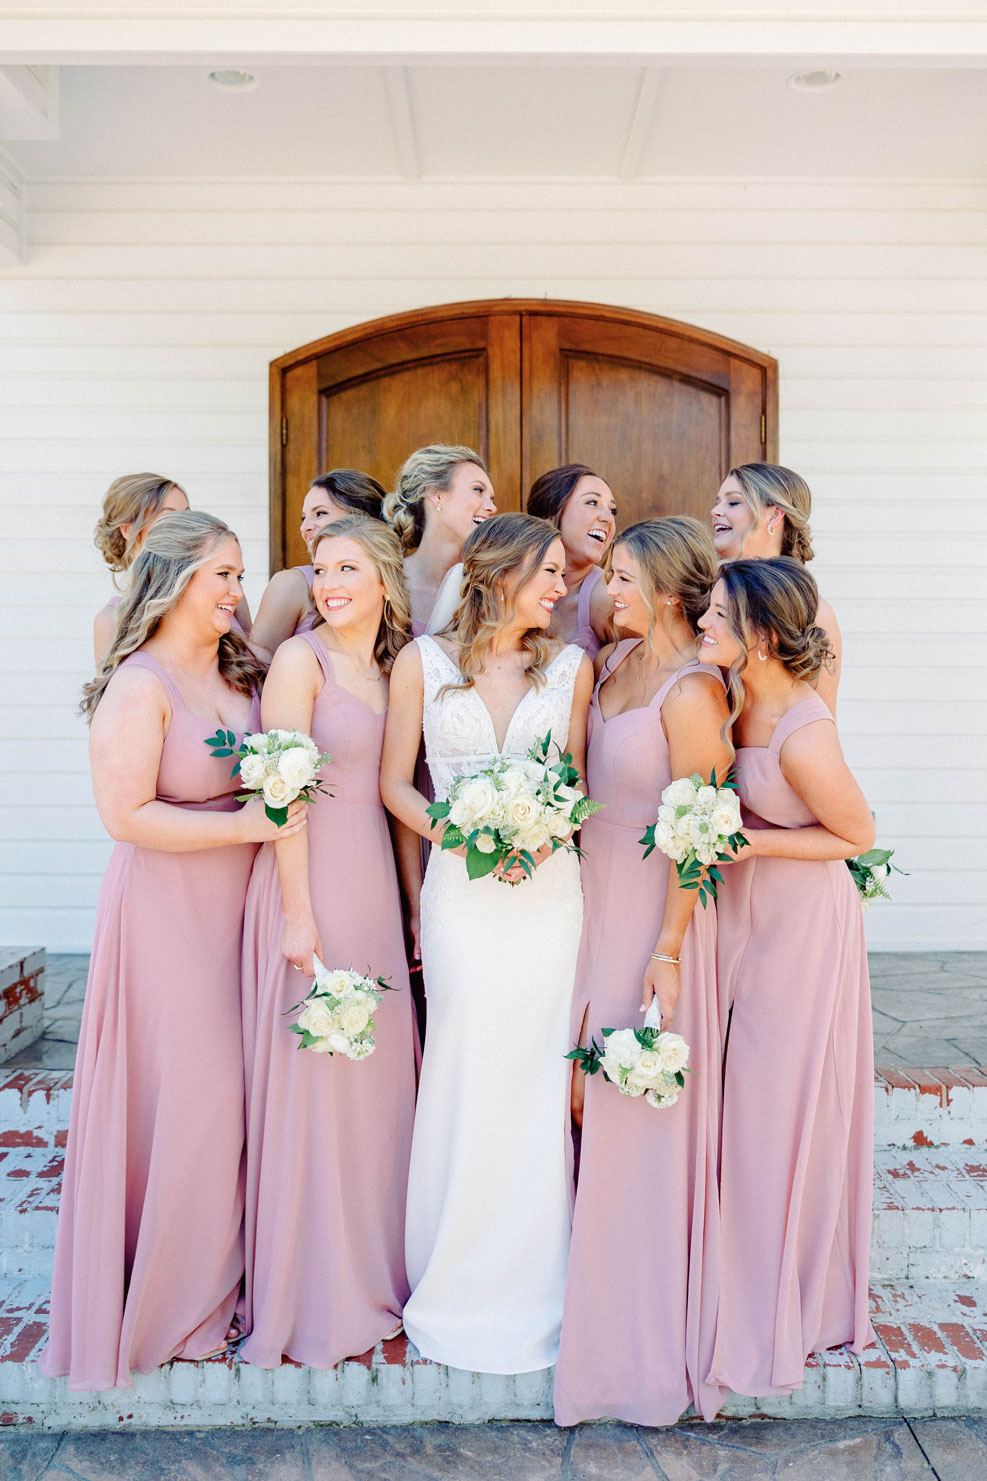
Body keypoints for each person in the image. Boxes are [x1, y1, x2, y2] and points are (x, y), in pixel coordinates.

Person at [40, 512, 305, 1391]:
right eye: (222, 575)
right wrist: (244, 826)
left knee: (236, 1100)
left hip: (239, 909)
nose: (238, 591)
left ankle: (213, 1282)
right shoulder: (139, 684)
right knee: (194, 1097)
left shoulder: (242, 671)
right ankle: (170, 1306)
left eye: (238, 575)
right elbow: (126, 816)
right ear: (174, 581)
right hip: (166, 914)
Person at [380, 512, 594, 1374]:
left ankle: (538, 1277)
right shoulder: (423, 664)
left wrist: (545, 832)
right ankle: (458, 1272)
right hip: (461, 893)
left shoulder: (571, 667)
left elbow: (572, 780)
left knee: (540, 1065)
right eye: (547, 570)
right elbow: (395, 782)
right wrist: (460, 834)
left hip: (548, 896)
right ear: (497, 572)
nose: (562, 584)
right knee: (468, 1060)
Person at [554, 517, 730, 1427]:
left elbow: (701, 834)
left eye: (620, 576)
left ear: (667, 590)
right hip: (583, 904)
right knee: (577, 1099)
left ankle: (633, 1342)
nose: (603, 588)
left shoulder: (693, 691)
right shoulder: (611, 666)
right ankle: (583, 1301)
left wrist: (667, 950)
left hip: (652, 916)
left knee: (627, 1110)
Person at [240, 516, 418, 1368]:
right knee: (320, 1082)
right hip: (311, 883)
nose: (328, 582)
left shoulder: (396, 665)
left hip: (378, 887)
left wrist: (415, 909)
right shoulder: (297, 661)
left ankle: (379, 1268)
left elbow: (400, 796)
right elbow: (281, 796)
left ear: (385, 576)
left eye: (348, 566)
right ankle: (316, 1289)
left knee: (377, 1083)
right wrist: (298, 913)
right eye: (320, 568)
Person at [697, 556, 875, 1399]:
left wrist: (753, 842)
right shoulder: (728, 698)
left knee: (776, 1102)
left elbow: (855, 836)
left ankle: (787, 1288)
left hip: (800, 922)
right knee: (736, 1098)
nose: (703, 623)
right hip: (743, 914)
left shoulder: (804, 732)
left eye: (717, 615)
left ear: (760, 635)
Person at [709, 462, 841, 712]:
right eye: (718, 502)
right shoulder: (705, 592)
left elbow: (822, 720)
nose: (715, 510)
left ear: (773, 515)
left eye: (733, 502)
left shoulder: (813, 612)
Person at [248, 470, 386, 661]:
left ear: (361, 518)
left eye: (320, 514)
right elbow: (258, 668)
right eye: (303, 518)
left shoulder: (394, 582)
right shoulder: (292, 584)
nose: (305, 528)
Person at [382, 444, 496, 635]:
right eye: (478, 490)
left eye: (492, 498)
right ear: (436, 495)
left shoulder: (491, 587)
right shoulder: (384, 581)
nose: (492, 507)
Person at [92, 473, 190, 665]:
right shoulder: (112, 620)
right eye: (169, 517)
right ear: (128, 529)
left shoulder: (222, 586)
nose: (186, 526)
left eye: (187, 515)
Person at [527, 464, 617, 657]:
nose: (608, 518)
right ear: (548, 517)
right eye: (592, 503)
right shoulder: (510, 583)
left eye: (612, 510)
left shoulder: (606, 598)